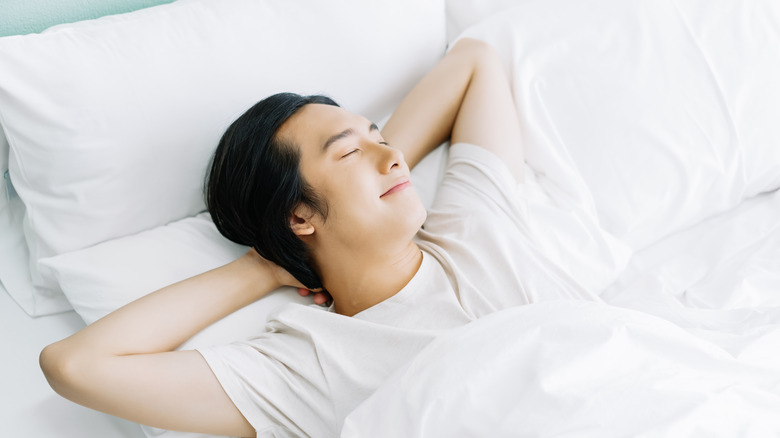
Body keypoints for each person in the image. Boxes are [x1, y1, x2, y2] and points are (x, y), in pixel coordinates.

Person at [39, 38, 594, 437]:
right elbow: (75, 366)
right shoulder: (310, 366)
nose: (396, 154)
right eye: (350, 152)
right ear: (298, 216)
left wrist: (376, 167)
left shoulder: (475, 224)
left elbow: (474, 61)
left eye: (380, 137)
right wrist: (264, 267)